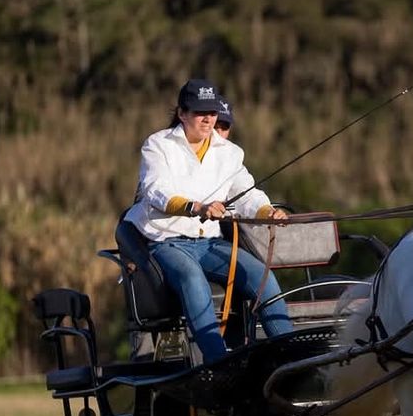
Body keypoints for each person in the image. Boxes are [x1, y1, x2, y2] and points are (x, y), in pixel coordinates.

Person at [125, 79, 293, 364]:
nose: (208, 119)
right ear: (182, 113)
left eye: (212, 113)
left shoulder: (230, 153)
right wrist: (196, 207)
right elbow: (156, 190)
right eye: (200, 112)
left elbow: (246, 193)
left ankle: (291, 356)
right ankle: (218, 362)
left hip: (208, 242)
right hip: (167, 241)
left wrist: (267, 212)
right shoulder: (158, 145)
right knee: (192, 278)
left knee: (259, 276)